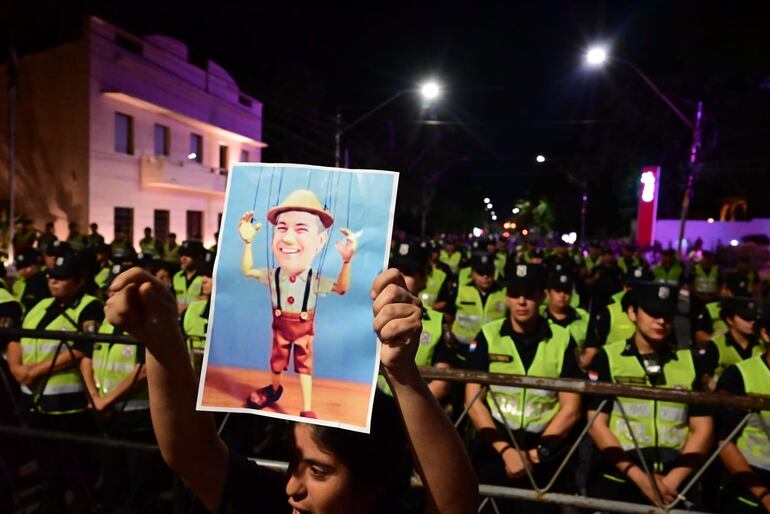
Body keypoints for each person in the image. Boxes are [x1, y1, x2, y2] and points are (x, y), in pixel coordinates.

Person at [103, 266, 478, 514]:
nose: (292, 488)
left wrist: (402, 375)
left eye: (318, 471)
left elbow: (454, 505)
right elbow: (191, 455)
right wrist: (161, 338)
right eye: (294, 463)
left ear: (373, 487)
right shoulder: (275, 504)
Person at [464, 262, 583, 514]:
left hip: (543, 453)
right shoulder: (488, 335)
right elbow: (473, 401)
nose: (521, 301)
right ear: (506, 297)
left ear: (542, 296)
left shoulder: (562, 339)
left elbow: (571, 408)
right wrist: (506, 451)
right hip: (494, 446)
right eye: (515, 294)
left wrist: (534, 454)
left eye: (529, 294)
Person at [585, 281, 714, 508]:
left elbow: (703, 428)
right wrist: (641, 479)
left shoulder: (690, 362)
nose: (661, 321)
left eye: (667, 315)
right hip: (619, 478)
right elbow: (596, 423)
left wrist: (673, 480)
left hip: (673, 483)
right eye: (653, 313)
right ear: (632, 313)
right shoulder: (607, 359)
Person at [237, 189, 357, 418]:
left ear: (320, 241)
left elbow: (342, 288)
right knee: (276, 362)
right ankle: (273, 390)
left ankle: (307, 407)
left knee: (304, 366)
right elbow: (248, 270)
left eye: (301, 229)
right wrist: (248, 242)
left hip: (304, 331)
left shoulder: (315, 280)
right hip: (280, 329)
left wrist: (347, 261)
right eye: (282, 229)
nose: (288, 238)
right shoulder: (273, 275)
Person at [6, 252, 104, 511]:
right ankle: (52, 503)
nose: (54, 282)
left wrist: (35, 371)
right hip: (34, 399)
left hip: (67, 402)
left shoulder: (89, 306)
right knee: (46, 461)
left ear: (79, 281)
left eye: (62, 278)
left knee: (77, 466)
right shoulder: (40, 305)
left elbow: (84, 347)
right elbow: (15, 336)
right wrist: (16, 368)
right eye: (52, 277)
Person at [715, 307, 770, 513]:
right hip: (749, 488)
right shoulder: (740, 375)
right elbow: (724, 441)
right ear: (765, 334)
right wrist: (763, 495)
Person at [383, 241, 453, 400]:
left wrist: (405, 410)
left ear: (423, 279)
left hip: (407, 417)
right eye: (393, 271)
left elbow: (441, 382)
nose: (397, 278)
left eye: (407, 273)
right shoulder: (367, 315)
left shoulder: (438, 322)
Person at [442, 254, 507, 362]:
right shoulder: (461, 290)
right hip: (462, 348)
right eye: (481, 273)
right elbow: (449, 315)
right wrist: (450, 336)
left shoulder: (504, 292)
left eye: (489, 273)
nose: (485, 277)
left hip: (494, 349)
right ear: (472, 274)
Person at [695, 296, 763, 391]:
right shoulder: (716, 345)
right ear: (730, 320)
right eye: (745, 318)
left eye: (754, 318)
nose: (752, 322)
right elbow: (704, 375)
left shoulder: (762, 345)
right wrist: (707, 382)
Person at [182, 251, 215, 377]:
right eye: (203, 275)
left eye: (210, 275)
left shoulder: (234, 314)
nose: (203, 281)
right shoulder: (193, 309)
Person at [543, 272, 589, 348]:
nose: (562, 295)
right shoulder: (537, 318)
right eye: (558, 291)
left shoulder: (584, 318)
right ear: (548, 293)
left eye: (566, 291)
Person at [173, 240, 205, 315]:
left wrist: (188, 306)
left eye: (188, 255)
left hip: (197, 321)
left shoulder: (205, 277)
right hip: (179, 320)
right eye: (181, 255)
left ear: (198, 257)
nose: (183, 258)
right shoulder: (177, 277)